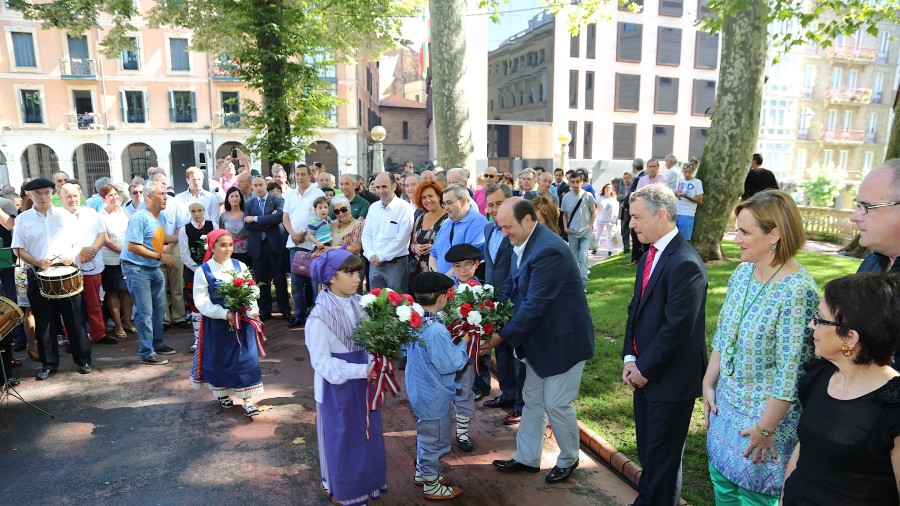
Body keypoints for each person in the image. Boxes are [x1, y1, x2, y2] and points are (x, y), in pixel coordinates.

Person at [702, 189, 818, 503]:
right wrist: (708, 382)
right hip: (725, 410)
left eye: (743, 232)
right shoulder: (742, 273)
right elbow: (724, 335)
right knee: (722, 488)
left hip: (763, 424)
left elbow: (791, 372)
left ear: (775, 235)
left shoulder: (798, 291)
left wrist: (765, 429)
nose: (734, 238)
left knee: (754, 498)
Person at [483, 198, 595, 484]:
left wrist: (498, 337)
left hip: (562, 342)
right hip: (538, 340)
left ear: (528, 221)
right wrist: (490, 313)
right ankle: (526, 458)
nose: (505, 233)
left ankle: (569, 458)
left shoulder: (549, 251)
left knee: (556, 403)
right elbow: (511, 284)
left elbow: (535, 305)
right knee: (532, 400)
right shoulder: (522, 240)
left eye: (508, 227)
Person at [779, 272, 900, 505]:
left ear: (850, 339)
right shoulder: (820, 376)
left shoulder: (892, 409)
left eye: (820, 319)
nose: (811, 324)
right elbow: (805, 448)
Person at [622, 184, 708, 506]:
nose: (631, 224)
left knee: (662, 463)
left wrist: (644, 368)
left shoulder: (685, 262)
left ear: (661, 215)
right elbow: (636, 310)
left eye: (636, 217)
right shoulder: (650, 254)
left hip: (670, 381)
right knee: (650, 456)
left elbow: (677, 329)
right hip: (645, 374)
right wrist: (631, 358)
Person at [305, 248, 388, 505]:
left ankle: (367, 483)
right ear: (331, 277)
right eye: (349, 273)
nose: (356, 278)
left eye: (358, 272)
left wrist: (375, 360)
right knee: (343, 441)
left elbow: (369, 343)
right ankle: (343, 488)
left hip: (364, 383)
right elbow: (321, 363)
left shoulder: (357, 303)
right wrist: (360, 370)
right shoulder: (319, 317)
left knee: (366, 437)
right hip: (337, 388)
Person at [12, 179, 93, 380]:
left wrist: (71, 255)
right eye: (38, 193)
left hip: (66, 271)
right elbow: (18, 249)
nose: (43, 196)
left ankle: (83, 360)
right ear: (29, 195)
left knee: (74, 320)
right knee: (44, 322)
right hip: (38, 273)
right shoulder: (23, 219)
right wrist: (37, 261)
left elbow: (78, 243)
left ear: (52, 193)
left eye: (47, 192)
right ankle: (49, 364)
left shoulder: (65, 215)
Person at [407, 271, 469, 500]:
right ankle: (431, 484)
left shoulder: (417, 320)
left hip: (421, 389)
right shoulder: (435, 330)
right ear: (442, 297)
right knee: (435, 438)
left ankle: (423, 473)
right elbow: (449, 364)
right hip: (434, 394)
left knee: (427, 435)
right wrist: (465, 344)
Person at [189, 229, 264, 417]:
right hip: (218, 324)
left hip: (243, 321)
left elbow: (251, 289)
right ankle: (222, 392)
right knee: (220, 358)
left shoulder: (240, 265)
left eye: (230, 244)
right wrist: (224, 314)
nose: (228, 249)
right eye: (223, 245)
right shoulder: (203, 271)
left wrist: (252, 310)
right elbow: (202, 302)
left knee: (245, 358)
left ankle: (248, 400)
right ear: (212, 247)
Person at [120, 180, 179, 365]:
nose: (165, 198)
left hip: (152, 268)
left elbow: (158, 238)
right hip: (137, 269)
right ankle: (146, 353)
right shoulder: (139, 217)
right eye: (161, 194)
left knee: (158, 309)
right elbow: (132, 246)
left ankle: (156, 344)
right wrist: (159, 256)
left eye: (166, 194)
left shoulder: (157, 218)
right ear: (148, 197)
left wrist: (180, 236)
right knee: (144, 312)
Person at [479, 183, 523, 425]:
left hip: (513, 298)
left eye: (499, 203)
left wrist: (506, 296)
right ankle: (507, 394)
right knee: (501, 349)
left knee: (515, 350)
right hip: (493, 298)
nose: (494, 209)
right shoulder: (487, 230)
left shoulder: (514, 231)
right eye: (491, 204)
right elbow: (490, 264)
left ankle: (519, 402)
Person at [57, 182, 112, 345]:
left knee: (94, 302)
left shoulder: (91, 213)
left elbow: (102, 235)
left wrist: (92, 251)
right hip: (68, 267)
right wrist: (82, 251)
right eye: (68, 196)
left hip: (92, 264)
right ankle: (74, 339)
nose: (72, 199)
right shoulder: (56, 216)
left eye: (75, 195)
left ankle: (99, 333)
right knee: (71, 307)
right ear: (60, 197)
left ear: (80, 195)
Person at [283, 164, 325, 328]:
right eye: (297, 174)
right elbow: (285, 217)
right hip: (294, 244)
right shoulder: (291, 194)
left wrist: (303, 232)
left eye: (303, 174)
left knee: (315, 283)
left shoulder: (317, 193)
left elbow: (321, 216)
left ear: (310, 176)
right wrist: (293, 234)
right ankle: (300, 316)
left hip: (313, 245)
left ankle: (317, 317)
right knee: (296, 283)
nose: (300, 177)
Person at [244, 176, 291, 321]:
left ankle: (285, 310)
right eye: (255, 185)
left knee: (280, 280)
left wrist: (256, 219)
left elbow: (278, 218)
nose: (258, 188)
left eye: (261, 185)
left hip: (275, 245)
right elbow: (247, 225)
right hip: (257, 247)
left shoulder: (277, 200)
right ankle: (264, 310)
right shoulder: (249, 204)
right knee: (261, 280)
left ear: (266, 185)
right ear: (252, 187)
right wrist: (268, 220)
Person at [150, 171, 191, 331]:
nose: (163, 187)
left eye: (164, 183)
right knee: (160, 286)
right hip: (154, 248)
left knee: (177, 285)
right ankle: (164, 319)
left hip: (173, 246)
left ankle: (179, 317)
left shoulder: (175, 202)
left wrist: (168, 246)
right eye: (159, 183)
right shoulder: (146, 205)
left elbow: (181, 226)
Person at [361, 172, 415, 291]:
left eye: (384, 186)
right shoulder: (373, 207)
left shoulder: (405, 208)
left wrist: (380, 257)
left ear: (394, 187)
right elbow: (366, 235)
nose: (380, 191)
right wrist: (370, 255)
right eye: (378, 187)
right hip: (374, 264)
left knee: (398, 304)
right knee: (375, 304)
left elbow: (402, 239)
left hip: (396, 265)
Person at [180, 200, 218, 353]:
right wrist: (197, 268)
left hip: (211, 270)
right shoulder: (185, 229)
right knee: (196, 303)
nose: (196, 214)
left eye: (199, 210)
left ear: (204, 210)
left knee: (213, 301)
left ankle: (213, 336)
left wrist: (211, 266)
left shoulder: (213, 226)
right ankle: (197, 338)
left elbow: (218, 246)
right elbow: (184, 253)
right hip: (194, 272)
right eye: (193, 211)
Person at [98, 183, 136, 339]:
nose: (114, 198)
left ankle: (127, 321)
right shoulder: (101, 216)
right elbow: (106, 240)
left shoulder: (125, 212)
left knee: (128, 291)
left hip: (128, 258)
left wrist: (129, 252)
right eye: (110, 196)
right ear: (103, 199)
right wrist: (124, 252)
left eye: (115, 194)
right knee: (113, 292)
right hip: (110, 260)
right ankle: (118, 325)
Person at [429, 184, 487, 277]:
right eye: (444, 203)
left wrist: (443, 281)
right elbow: (433, 253)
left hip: (462, 286)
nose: (446, 207)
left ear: (463, 201)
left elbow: (468, 259)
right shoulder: (447, 222)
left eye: (449, 202)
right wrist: (436, 279)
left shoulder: (478, 222)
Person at [561, 171, 596, 289]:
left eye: (577, 182)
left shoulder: (588, 195)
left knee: (583, 257)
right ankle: (575, 284)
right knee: (574, 260)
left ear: (581, 182)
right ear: (570, 182)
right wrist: (566, 227)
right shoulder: (566, 197)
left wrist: (590, 225)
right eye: (573, 182)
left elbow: (593, 212)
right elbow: (564, 214)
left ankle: (583, 285)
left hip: (585, 231)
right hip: (572, 232)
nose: (575, 184)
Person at [410, 180, 447, 276]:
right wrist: (415, 248)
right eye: (423, 198)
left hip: (439, 270)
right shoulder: (419, 218)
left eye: (430, 196)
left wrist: (435, 248)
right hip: (419, 272)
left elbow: (453, 244)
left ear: (439, 196)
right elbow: (413, 243)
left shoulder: (449, 218)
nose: (427, 200)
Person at [219, 187, 252, 268]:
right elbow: (221, 233)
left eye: (237, 196)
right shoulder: (223, 216)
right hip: (228, 250)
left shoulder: (246, 214)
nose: (234, 199)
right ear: (228, 199)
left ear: (241, 198)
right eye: (232, 196)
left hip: (245, 249)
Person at [675, 162, 704, 241]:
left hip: (687, 213)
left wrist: (687, 196)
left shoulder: (697, 182)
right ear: (682, 171)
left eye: (689, 172)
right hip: (676, 212)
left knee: (684, 239)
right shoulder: (679, 181)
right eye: (685, 172)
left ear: (693, 171)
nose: (687, 174)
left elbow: (700, 200)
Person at [628, 159, 647, 263]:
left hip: (639, 211)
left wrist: (626, 202)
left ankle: (637, 257)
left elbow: (633, 195)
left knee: (636, 235)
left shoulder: (639, 178)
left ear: (634, 167)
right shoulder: (642, 177)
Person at [593, 183, 619, 256]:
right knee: (598, 234)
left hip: (610, 219)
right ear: (604, 189)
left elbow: (616, 209)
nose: (608, 189)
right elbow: (595, 206)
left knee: (609, 235)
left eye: (610, 188)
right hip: (600, 218)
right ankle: (595, 248)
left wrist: (615, 218)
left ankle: (609, 249)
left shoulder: (613, 198)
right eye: (607, 188)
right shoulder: (599, 197)